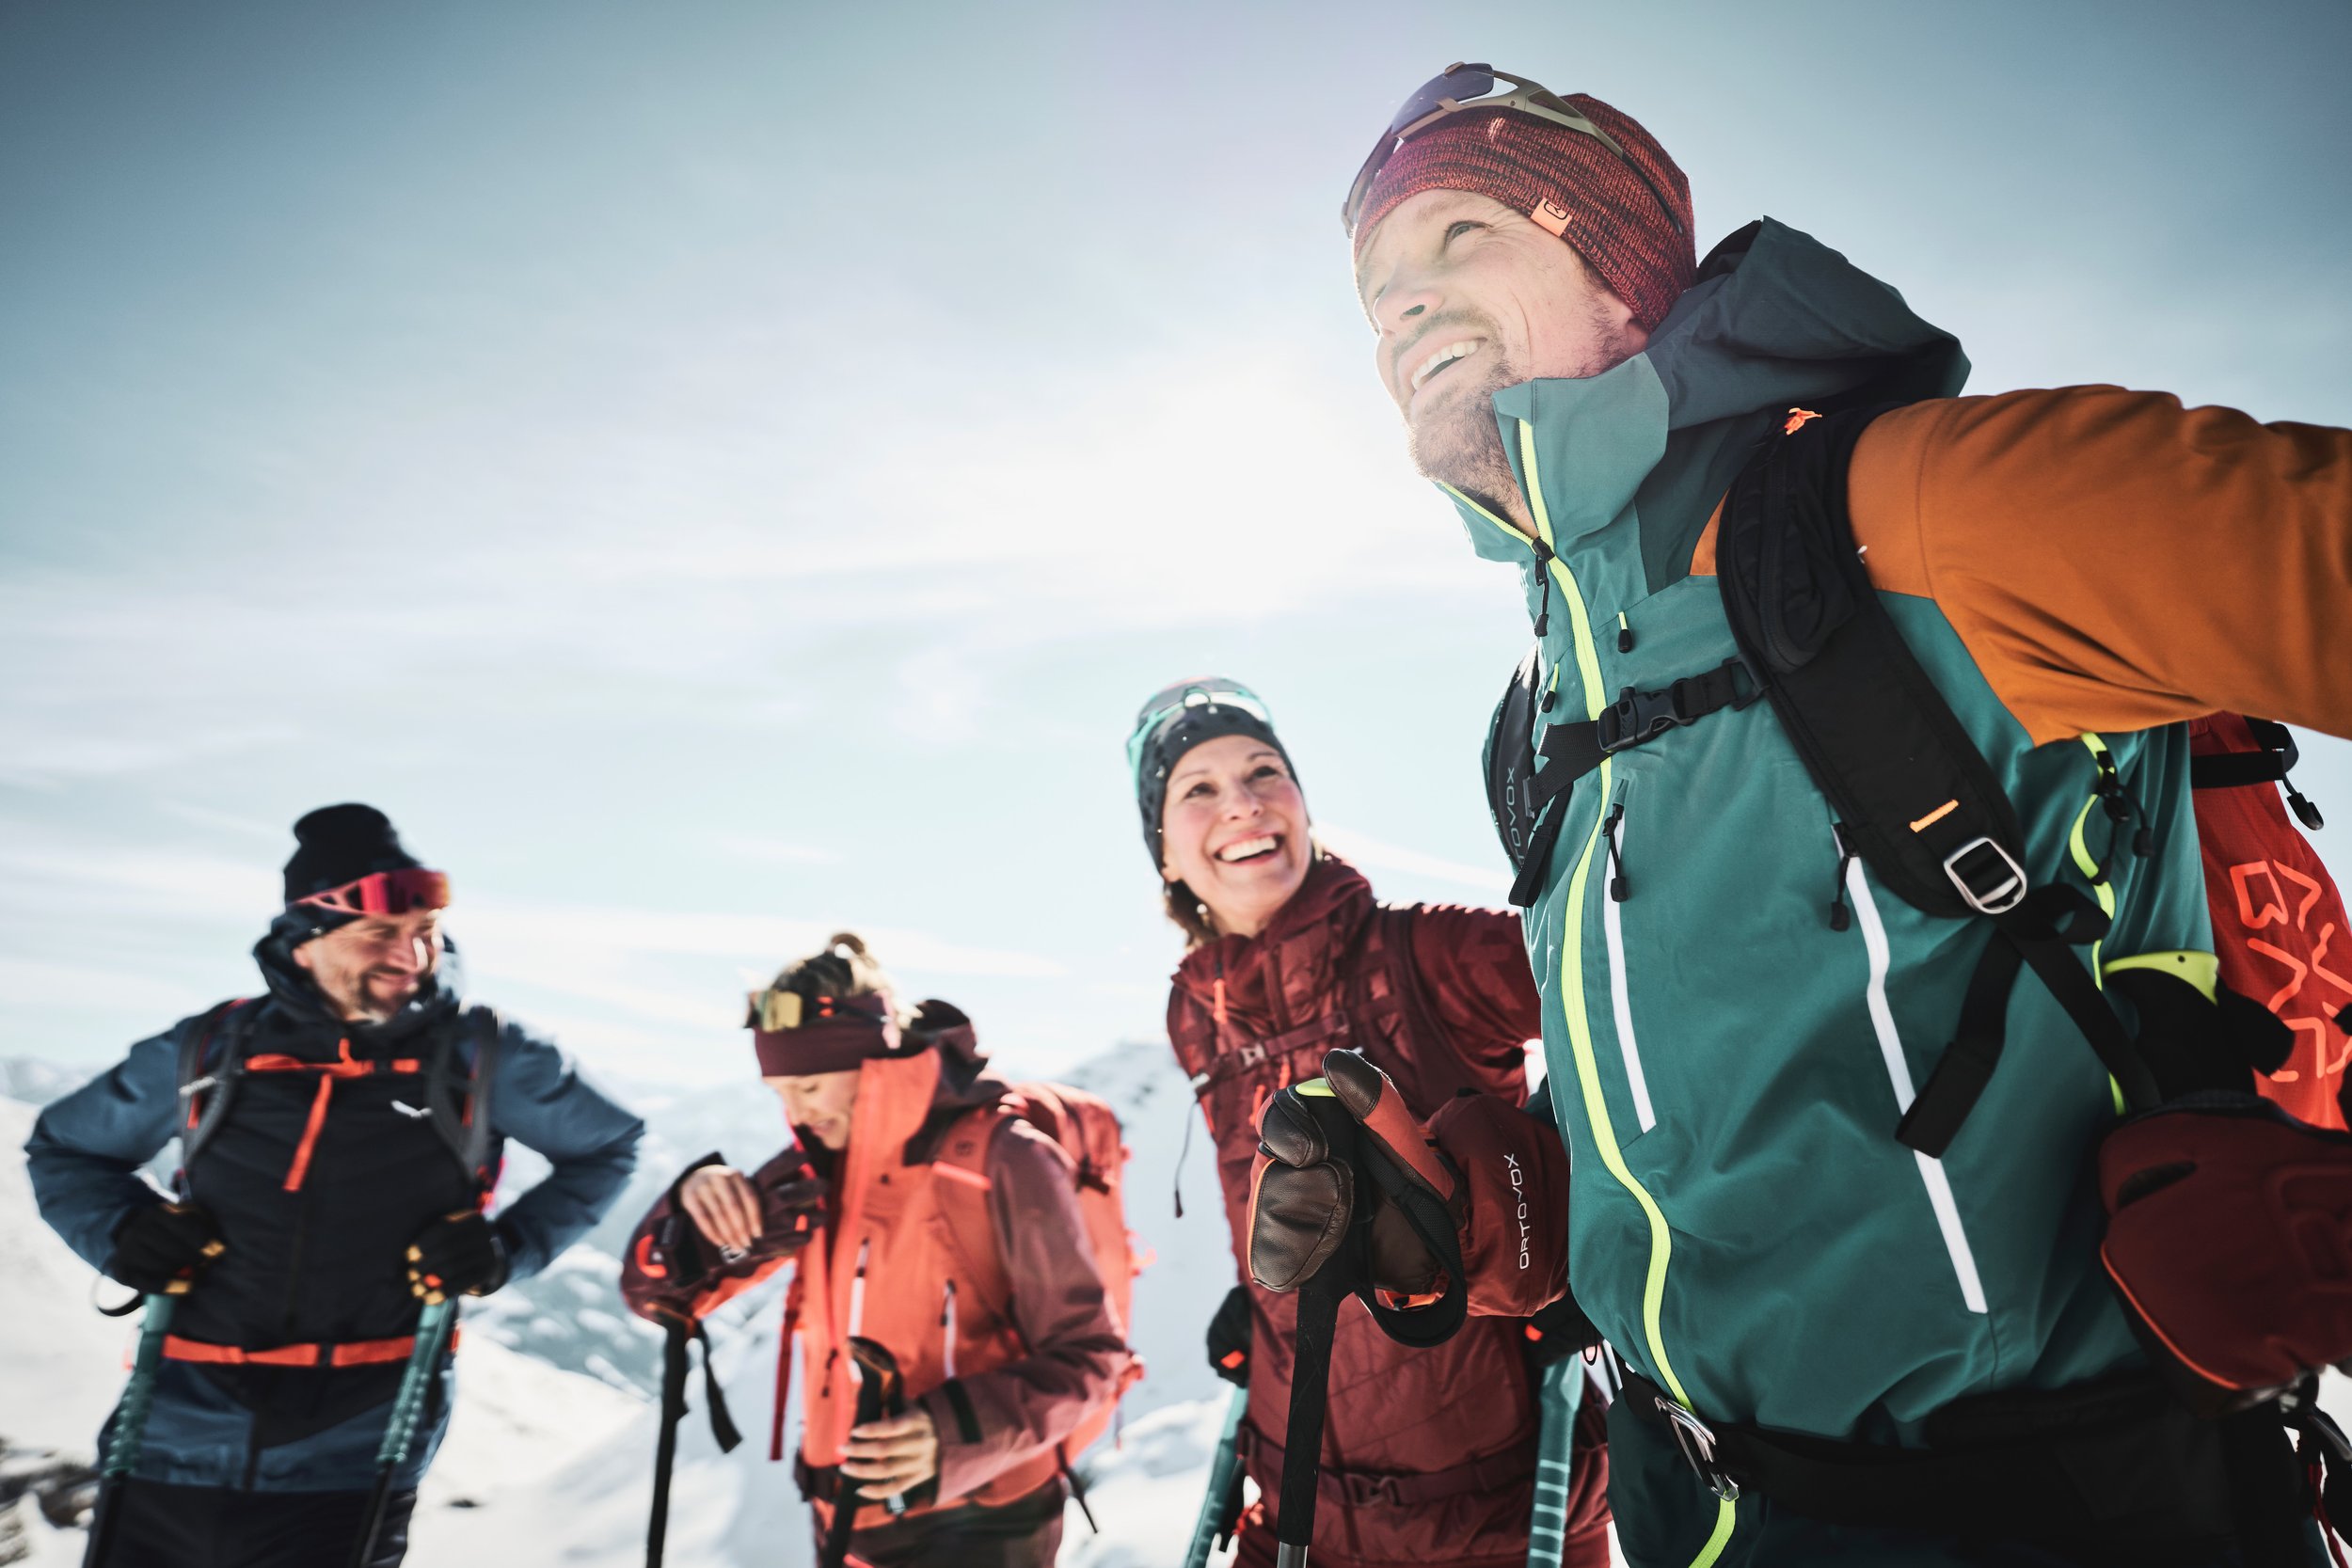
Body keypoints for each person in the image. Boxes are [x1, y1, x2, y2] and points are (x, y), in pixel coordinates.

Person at [1247, 62, 2352, 1568]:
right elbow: (1716, 1133)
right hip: (1692, 1520)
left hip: (2054, 1509)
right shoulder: (1546, 717)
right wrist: (1473, 1212)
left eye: (1465, 237)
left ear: (1628, 280)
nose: (1404, 309)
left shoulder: (1929, 516)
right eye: (1378, 288)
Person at [24, 803, 644, 1567]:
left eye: (426, 930)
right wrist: (119, 1230)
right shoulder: (213, 1047)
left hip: (355, 1453)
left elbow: (610, 1143)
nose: (412, 955)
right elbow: (65, 1148)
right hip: (170, 1433)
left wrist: (505, 1247)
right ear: (306, 938)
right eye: (381, 933)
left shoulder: (482, 1054)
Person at [1128, 676, 1612, 1568]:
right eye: (1196, 788)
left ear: (1303, 804)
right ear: (1165, 853)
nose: (1241, 802)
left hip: (1496, 1510)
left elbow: (1630, 1001)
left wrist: (1555, 1216)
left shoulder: (1424, 951)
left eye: (1264, 770)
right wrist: (1262, 1300)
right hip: (1293, 1503)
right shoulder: (1195, 1015)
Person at [619, 933, 1132, 1568]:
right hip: (846, 1515)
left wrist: (951, 1433)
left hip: (985, 1518)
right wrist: (689, 1207)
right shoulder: (815, 1171)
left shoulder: (1006, 1156)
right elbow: (655, 1297)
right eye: (779, 1092)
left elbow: (1093, 1355)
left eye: (808, 1085)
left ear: (871, 1064)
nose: (798, 1114)